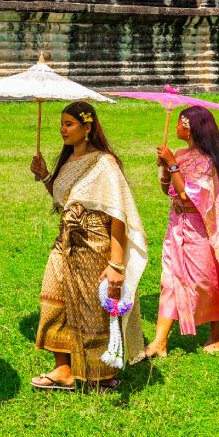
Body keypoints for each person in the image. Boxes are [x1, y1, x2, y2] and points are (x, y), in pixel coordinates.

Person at [30, 102, 147, 391]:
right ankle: (64, 370)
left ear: (87, 127)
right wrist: (46, 176)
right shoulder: (68, 161)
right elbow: (64, 199)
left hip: (95, 242)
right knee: (52, 300)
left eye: (69, 124)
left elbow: (117, 215)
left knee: (90, 309)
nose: (62, 129)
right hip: (66, 241)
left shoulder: (103, 163)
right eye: (61, 123)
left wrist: (116, 264)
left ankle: (100, 376)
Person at [146, 106, 219, 358]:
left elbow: (186, 194)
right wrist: (165, 167)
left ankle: (216, 335)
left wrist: (172, 163)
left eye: (180, 122)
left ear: (189, 126)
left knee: (206, 281)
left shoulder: (205, 162)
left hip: (200, 229)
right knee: (170, 280)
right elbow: (168, 191)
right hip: (177, 226)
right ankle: (159, 342)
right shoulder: (181, 154)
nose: (176, 128)